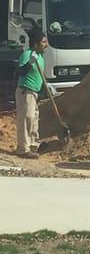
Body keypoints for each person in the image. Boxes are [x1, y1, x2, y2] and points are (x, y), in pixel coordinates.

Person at [15, 28, 48, 159]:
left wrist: (45, 89)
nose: (46, 45)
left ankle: (34, 145)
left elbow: (41, 74)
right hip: (25, 91)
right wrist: (30, 63)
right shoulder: (27, 55)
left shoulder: (40, 56)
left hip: (34, 92)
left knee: (34, 119)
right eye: (43, 42)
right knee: (26, 119)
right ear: (35, 44)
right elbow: (21, 72)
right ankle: (23, 149)